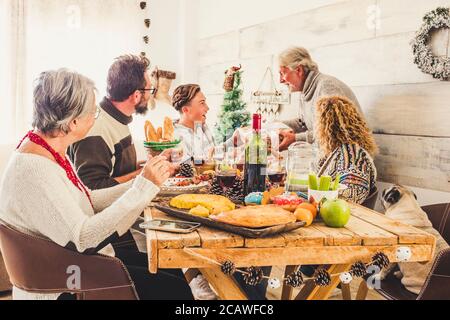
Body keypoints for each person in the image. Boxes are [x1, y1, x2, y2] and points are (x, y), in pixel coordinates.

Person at [0, 69, 193, 300]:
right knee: (176, 290)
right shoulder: (35, 169)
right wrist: (143, 188)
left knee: (172, 269)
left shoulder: (44, 147)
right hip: (64, 283)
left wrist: (145, 182)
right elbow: (84, 239)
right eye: (93, 112)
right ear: (72, 122)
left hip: (76, 265)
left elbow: (87, 200)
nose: (96, 116)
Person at [277, 46, 364, 151]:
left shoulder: (326, 87)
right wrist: (276, 127)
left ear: (299, 70)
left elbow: (334, 133)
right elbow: (303, 123)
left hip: (350, 160)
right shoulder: (306, 90)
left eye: (282, 73)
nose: (280, 80)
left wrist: (296, 139)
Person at [315, 95, 378, 204]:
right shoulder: (344, 152)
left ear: (325, 127)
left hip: (343, 216)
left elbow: (350, 198)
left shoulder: (352, 157)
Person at [171, 84, 215, 163]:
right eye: (202, 103)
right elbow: (186, 168)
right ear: (186, 110)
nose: (207, 108)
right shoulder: (175, 138)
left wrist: (233, 140)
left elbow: (215, 153)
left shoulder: (203, 127)